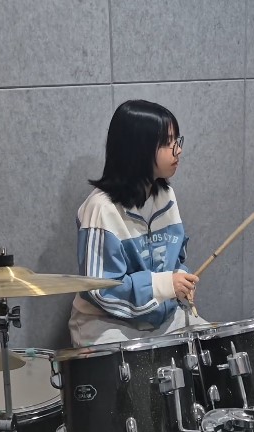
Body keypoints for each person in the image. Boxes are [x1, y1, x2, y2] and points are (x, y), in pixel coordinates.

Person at [69, 99, 208, 348]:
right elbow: (100, 291)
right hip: (108, 324)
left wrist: (180, 277)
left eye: (176, 141)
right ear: (138, 150)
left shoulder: (166, 196)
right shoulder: (101, 209)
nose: (177, 150)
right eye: (167, 143)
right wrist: (164, 285)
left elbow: (175, 259)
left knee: (216, 346)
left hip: (163, 318)